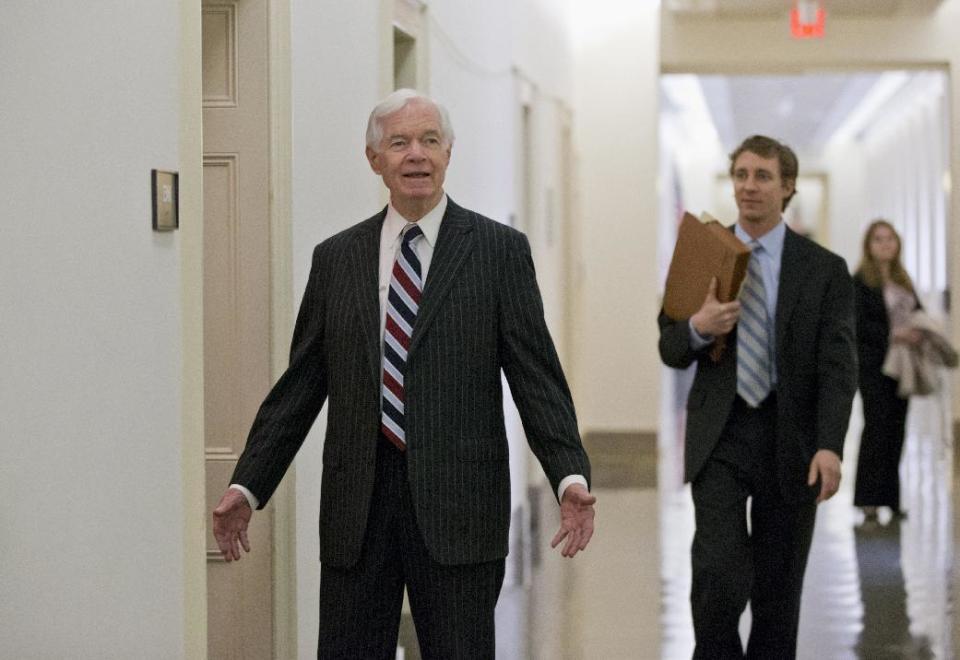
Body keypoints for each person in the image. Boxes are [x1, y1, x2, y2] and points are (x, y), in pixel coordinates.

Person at [210, 89, 596, 659]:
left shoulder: (497, 251)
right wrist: (249, 484)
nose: (416, 155)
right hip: (357, 509)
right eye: (399, 143)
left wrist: (569, 476)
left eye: (430, 140)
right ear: (375, 159)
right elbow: (301, 387)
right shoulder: (336, 258)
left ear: (448, 153)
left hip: (460, 506)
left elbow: (536, 378)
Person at [658, 135, 857, 659]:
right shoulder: (703, 248)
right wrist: (699, 327)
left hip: (791, 439)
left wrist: (830, 445)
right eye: (741, 174)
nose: (749, 186)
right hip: (720, 437)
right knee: (719, 578)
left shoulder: (824, 270)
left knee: (778, 592)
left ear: (787, 187)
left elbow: (838, 369)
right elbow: (670, 346)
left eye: (763, 176)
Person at [852, 220, 921, 522]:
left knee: (897, 431)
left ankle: (891, 499)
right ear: (869, 245)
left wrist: (919, 332)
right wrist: (893, 334)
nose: (884, 244)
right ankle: (868, 501)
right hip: (873, 367)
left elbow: (917, 313)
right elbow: (858, 325)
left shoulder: (903, 280)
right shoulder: (859, 281)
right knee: (876, 430)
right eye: (878, 239)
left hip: (902, 367)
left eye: (889, 238)